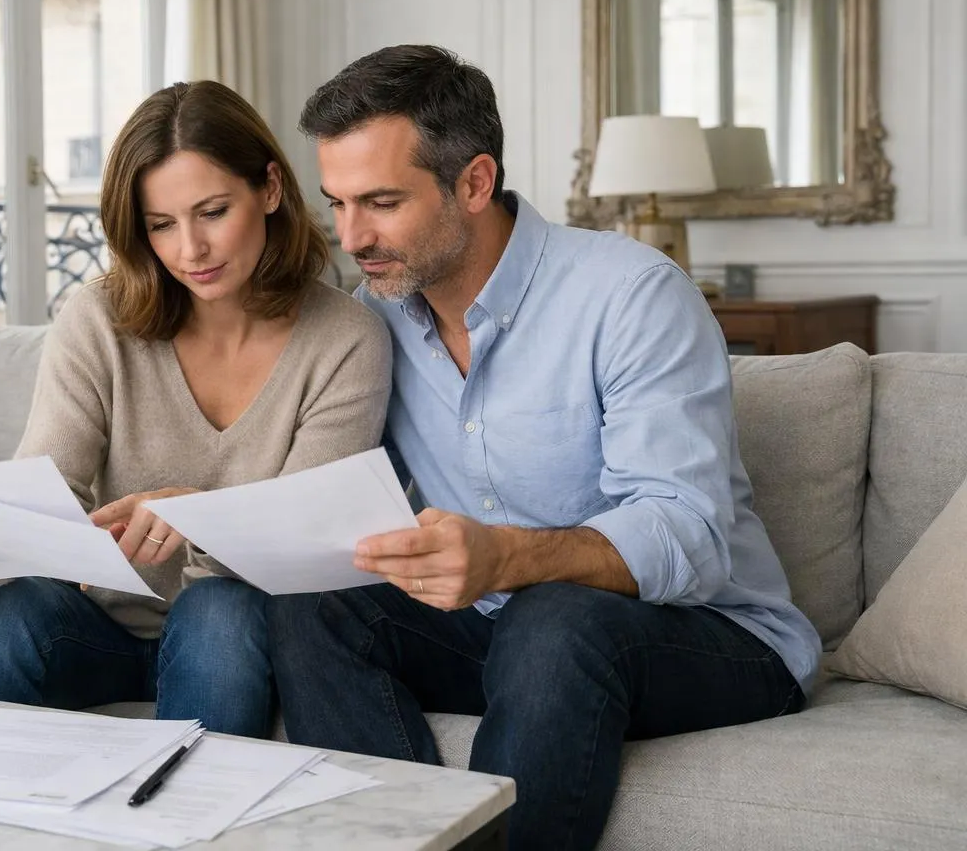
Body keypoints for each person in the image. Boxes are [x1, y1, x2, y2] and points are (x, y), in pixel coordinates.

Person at [267, 45, 821, 848]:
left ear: (474, 182)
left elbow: (687, 533)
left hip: (710, 634)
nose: (351, 236)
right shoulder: (375, 317)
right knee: (314, 607)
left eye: (381, 202)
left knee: (552, 615)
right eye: (338, 203)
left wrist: (505, 558)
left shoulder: (631, 295)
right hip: (504, 631)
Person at [0, 80, 392, 738]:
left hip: (238, 632)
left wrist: (199, 514)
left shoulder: (347, 338)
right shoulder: (98, 319)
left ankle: (189, 804)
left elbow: (309, 546)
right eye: (161, 225)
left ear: (270, 188)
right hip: (95, 632)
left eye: (213, 212)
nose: (191, 250)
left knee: (218, 612)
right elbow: (41, 494)